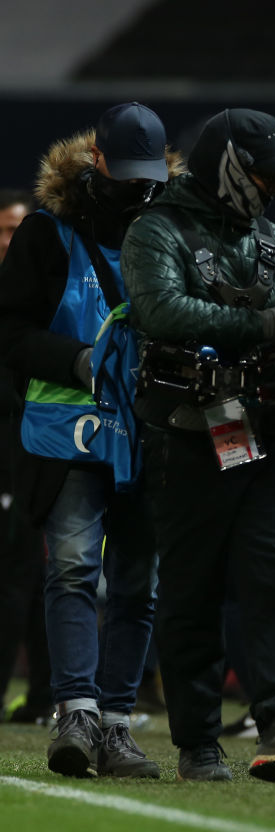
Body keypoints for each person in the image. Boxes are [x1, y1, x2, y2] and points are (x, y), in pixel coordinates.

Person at [120, 108, 275, 782]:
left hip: (266, 435)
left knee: (273, 572)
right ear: (225, 167)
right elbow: (159, 311)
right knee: (192, 589)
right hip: (184, 436)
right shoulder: (155, 229)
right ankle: (197, 742)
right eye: (263, 172)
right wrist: (269, 319)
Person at [0, 102, 178, 777]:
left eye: (149, 175)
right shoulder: (46, 234)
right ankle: (74, 712)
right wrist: (77, 361)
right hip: (67, 431)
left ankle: (114, 723)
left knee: (138, 582)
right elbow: (8, 333)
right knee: (74, 568)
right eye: (125, 172)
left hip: (148, 432)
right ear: (96, 159)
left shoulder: (173, 231)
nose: (138, 187)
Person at [0, 188, 51, 725]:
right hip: (12, 453)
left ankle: (42, 696)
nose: (10, 241)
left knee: (30, 578)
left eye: (18, 230)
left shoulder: (45, 297)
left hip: (32, 452)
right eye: (4, 230)